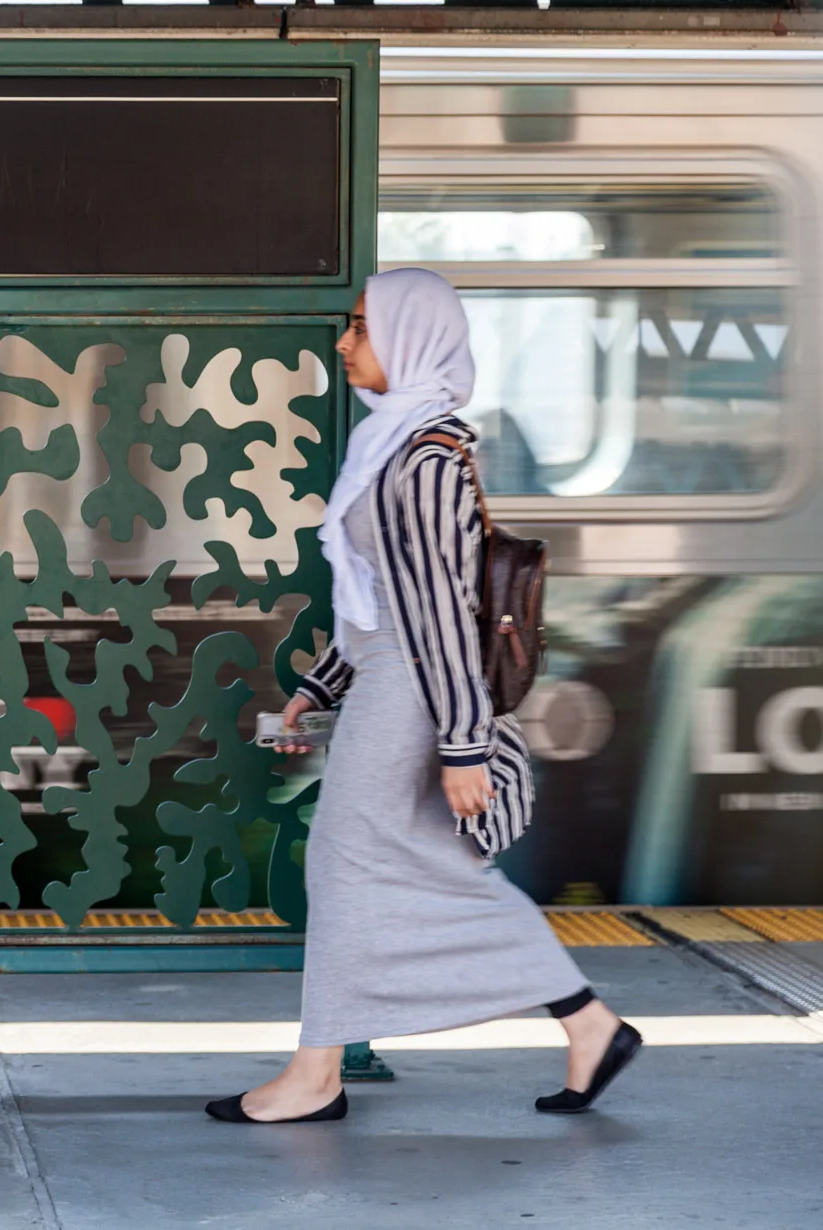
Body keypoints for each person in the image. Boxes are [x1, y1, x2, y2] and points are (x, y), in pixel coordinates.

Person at [205, 268, 642, 1125]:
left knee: (340, 858)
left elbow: (441, 613)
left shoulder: (427, 458)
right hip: (387, 673)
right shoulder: (390, 444)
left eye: (359, 326)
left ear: (407, 336)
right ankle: (587, 1022)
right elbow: (376, 598)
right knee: (423, 862)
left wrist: (463, 743)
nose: (343, 342)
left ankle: (315, 1074)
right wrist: (316, 685)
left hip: (414, 687)